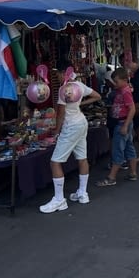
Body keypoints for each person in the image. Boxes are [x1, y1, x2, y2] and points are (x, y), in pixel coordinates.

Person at [39, 61, 102, 213]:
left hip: (71, 126)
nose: (57, 77)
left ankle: (59, 200)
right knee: (82, 158)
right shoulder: (79, 85)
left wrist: (56, 130)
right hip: (81, 122)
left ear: (62, 73)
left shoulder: (64, 89)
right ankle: (83, 193)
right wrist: (81, 104)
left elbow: (60, 113)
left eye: (57, 74)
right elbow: (97, 96)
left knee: (55, 162)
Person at [95, 67, 137, 186]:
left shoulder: (125, 92)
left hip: (122, 123)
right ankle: (133, 173)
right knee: (129, 147)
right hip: (123, 123)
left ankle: (111, 177)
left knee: (118, 149)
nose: (115, 84)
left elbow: (132, 109)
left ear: (124, 80)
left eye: (117, 81)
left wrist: (125, 125)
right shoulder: (121, 90)